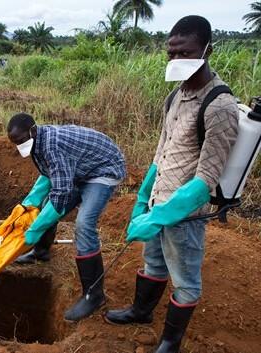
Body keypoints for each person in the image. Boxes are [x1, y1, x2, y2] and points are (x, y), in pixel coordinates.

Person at [104, 16, 239, 353]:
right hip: (159, 201)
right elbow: (160, 153)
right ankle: (140, 312)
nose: (177, 60)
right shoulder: (175, 96)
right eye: (172, 53)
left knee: (186, 281)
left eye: (186, 53)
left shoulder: (219, 106)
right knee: (154, 263)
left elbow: (206, 178)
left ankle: (169, 344)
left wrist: (161, 216)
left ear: (208, 50)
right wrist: (143, 199)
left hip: (184, 214)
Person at [7, 113, 126, 322]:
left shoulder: (53, 145)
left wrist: (34, 229)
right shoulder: (37, 142)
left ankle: (93, 295)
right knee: (45, 206)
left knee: (84, 224)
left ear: (32, 131)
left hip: (103, 170)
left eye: (21, 140)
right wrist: (26, 205)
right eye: (15, 143)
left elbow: (61, 194)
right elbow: (47, 177)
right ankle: (41, 252)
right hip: (80, 169)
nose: (20, 145)